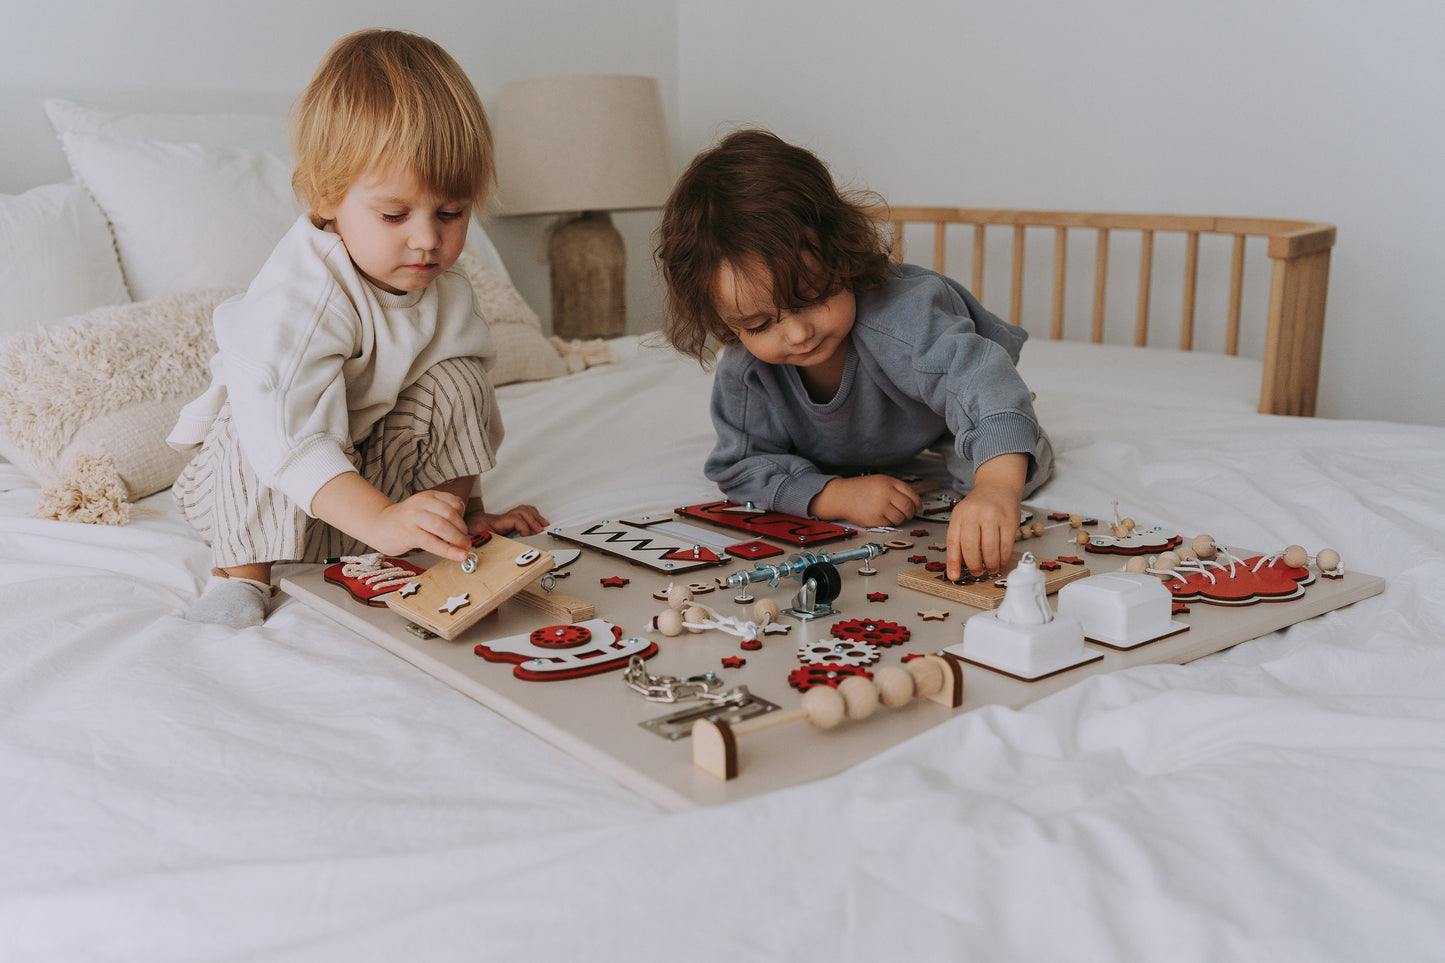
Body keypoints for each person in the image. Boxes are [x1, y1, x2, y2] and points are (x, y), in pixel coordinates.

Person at [168, 29, 546, 628]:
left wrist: (461, 507)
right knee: (253, 416)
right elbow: (285, 438)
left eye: (451, 212)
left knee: (459, 378)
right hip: (263, 482)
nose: (427, 239)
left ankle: (444, 530)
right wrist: (376, 522)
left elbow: (457, 416)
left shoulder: (444, 291)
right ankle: (240, 577)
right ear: (326, 195)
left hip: (365, 477)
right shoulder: (303, 296)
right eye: (395, 214)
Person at [655, 129, 1052, 581]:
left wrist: (996, 488)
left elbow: (981, 383)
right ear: (726, 324)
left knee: (1010, 462)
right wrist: (835, 496)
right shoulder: (747, 373)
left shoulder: (904, 317)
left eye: (810, 297)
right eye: (760, 325)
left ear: (839, 253)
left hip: (937, 419)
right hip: (842, 457)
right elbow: (742, 466)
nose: (798, 333)